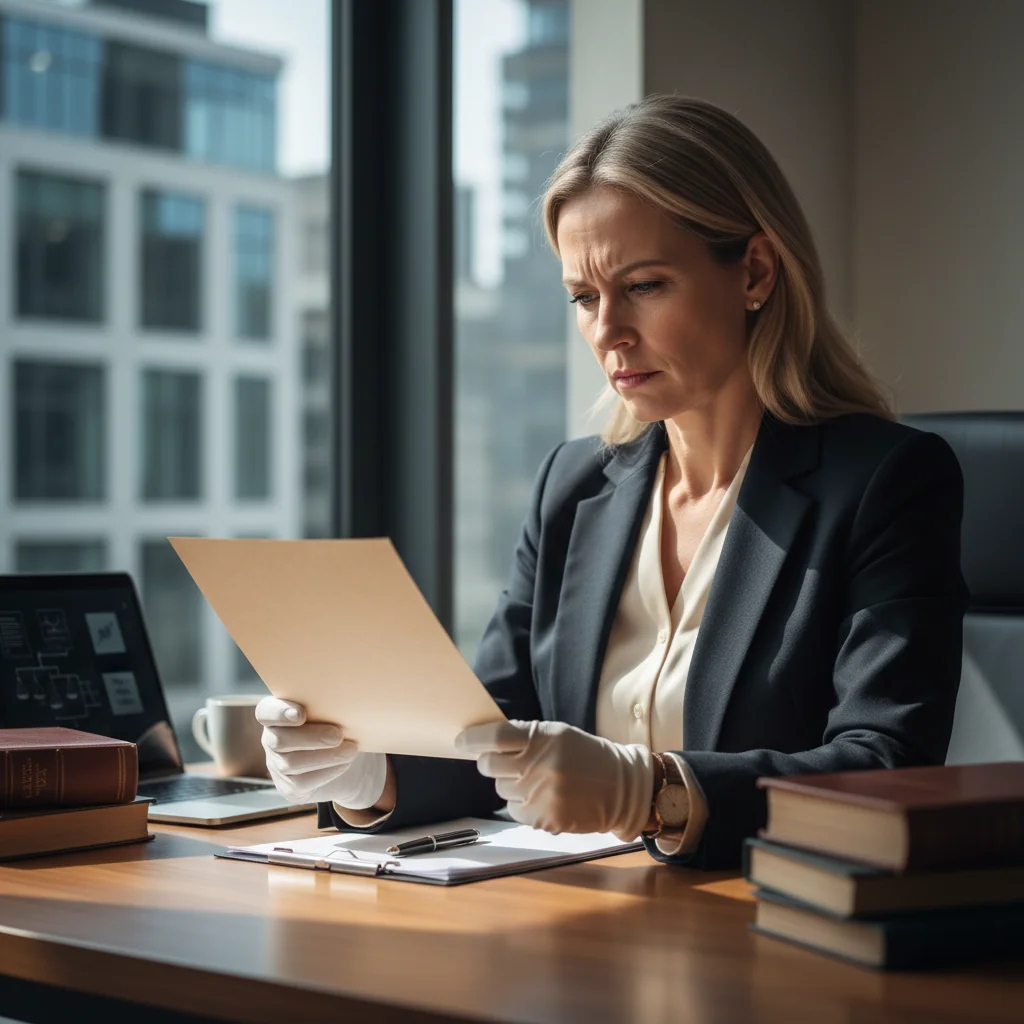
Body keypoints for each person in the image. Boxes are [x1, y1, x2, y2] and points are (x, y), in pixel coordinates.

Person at [256, 96, 968, 870]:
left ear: (755, 272)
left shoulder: (886, 482)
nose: (608, 333)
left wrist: (655, 793)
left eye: (646, 286)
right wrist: (373, 773)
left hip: (764, 932)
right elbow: (497, 731)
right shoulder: (573, 485)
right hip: (576, 928)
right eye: (584, 298)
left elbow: (887, 763)